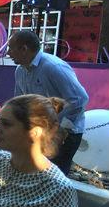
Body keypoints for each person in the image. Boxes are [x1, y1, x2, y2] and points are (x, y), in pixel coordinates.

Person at [9, 30, 89, 175]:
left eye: (11, 48)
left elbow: (79, 99)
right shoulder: (19, 71)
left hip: (66, 133)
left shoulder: (53, 66)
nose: (8, 53)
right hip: (40, 133)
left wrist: (60, 128)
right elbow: (20, 102)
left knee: (53, 178)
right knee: (35, 175)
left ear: (24, 49)